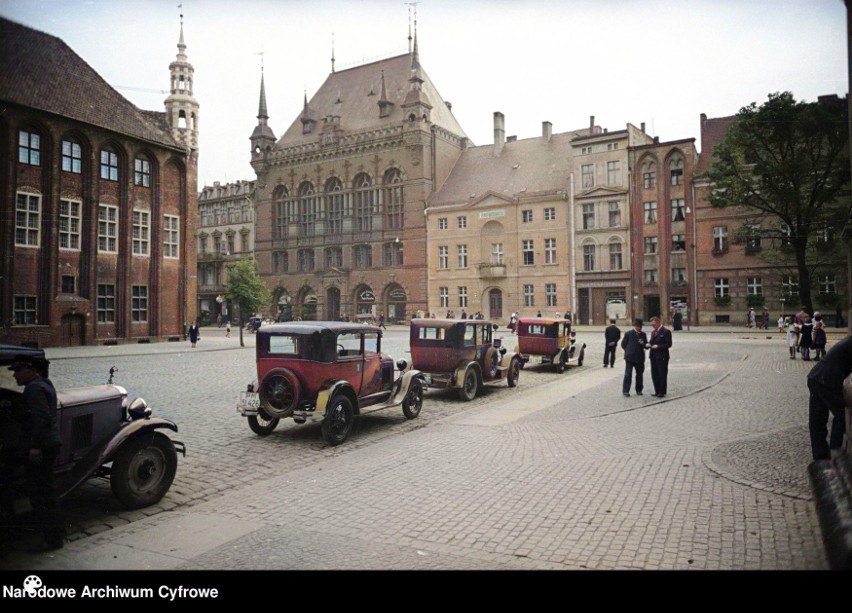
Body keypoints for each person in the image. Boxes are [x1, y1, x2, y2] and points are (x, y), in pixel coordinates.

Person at [3, 356, 66, 551]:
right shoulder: (43, 384)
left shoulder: (34, 389)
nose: (14, 375)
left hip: (41, 446)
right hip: (48, 444)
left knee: (40, 494)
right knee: (45, 492)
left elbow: (41, 419)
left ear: (31, 370)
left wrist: (35, 447)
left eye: (18, 370)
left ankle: (52, 539)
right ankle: (55, 534)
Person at [806, 334, 851, 460]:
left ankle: (820, 454)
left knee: (817, 418)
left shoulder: (847, 342)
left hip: (815, 377)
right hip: (826, 380)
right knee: (842, 415)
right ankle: (836, 450)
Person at [620, 318, 648, 397]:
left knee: (639, 374)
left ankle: (639, 390)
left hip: (640, 357)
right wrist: (628, 350)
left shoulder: (643, 334)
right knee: (628, 374)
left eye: (639, 326)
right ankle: (626, 391)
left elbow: (646, 345)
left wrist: (643, 343)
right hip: (630, 356)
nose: (637, 328)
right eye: (636, 326)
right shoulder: (629, 333)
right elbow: (623, 344)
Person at [648, 316, 673, 398]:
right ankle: (657, 391)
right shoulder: (653, 332)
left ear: (659, 323)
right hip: (653, 356)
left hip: (662, 356)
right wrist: (648, 344)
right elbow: (651, 342)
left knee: (662, 374)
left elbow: (668, 344)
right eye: (652, 324)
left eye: (654, 324)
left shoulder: (666, 331)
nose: (653, 326)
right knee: (654, 374)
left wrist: (658, 346)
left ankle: (662, 391)